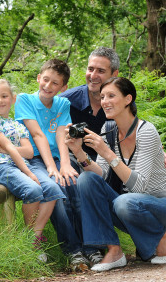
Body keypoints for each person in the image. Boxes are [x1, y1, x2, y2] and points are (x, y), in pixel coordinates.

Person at [65, 76, 166, 272]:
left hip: (158, 205)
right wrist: (78, 152)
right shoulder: (108, 129)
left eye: (111, 96)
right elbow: (101, 175)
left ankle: (160, 241)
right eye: (102, 97)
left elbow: (139, 186)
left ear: (128, 99)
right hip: (131, 208)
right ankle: (114, 250)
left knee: (124, 201)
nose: (105, 101)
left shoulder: (146, 131)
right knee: (87, 179)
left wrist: (106, 152)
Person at [15, 59, 101, 270]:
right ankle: (73, 251)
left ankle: (91, 247)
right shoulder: (24, 100)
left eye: (55, 83)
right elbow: (37, 134)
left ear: (63, 88)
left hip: (54, 158)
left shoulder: (62, 104)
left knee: (74, 184)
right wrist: (52, 168)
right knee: (58, 193)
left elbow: (63, 136)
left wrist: (64, 164)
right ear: (38, 78)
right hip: (33, 159)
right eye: (45, 80)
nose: (48, 86)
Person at [0, 79, 66, 263]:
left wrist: (2, 149)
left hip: (22, 164)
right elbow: (11, 148)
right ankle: (31, 244)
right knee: (33, 189)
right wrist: (29, 173)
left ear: (13, 99)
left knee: (53, 189)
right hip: (0, 166)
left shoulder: (17, 124)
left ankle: (32, 237)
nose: (0, 100)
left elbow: (29, 151)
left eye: (4, 96)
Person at [60, 46, 119, 162]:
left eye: (101, 71)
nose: (93, 76)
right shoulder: (65, 101)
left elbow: (134, 132)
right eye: (90, 69)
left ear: (114, 74)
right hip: (72, 161)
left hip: (111, 163)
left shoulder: (122, 105)